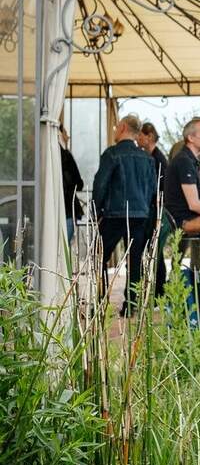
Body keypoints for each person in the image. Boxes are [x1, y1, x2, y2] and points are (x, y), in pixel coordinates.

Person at [92, 113, 156, 316]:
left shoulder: (111, 154)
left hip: (114, 214)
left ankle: (101, 303)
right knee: (135, 260)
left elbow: (100, 184)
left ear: (122, 129)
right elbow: (153, 190)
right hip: (140, 215)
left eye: (116, 127)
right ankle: (131, 305)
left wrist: (96, 210)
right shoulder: (147, 158)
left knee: (99, 258)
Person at [163, 117, 200, 240]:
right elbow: (194, 204)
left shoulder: (192, 161)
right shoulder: (184, 162)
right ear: (190, 138)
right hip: (186, 221)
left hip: (194, 218)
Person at [137, 121, 168, 296]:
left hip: (157, 210)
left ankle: (158, 291)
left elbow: (160, 187)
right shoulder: (153, 157)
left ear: (149, 136)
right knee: (154, 250)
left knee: (155, 251)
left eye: (140, 136)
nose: (138, 139)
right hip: (153, 209)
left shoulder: (157, 159)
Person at [59, 124, 84, 244]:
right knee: (63, 248)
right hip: (68, 209)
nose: (67, 137)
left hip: (61, 209)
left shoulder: (39, 155)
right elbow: (79, 184)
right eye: (65, 133)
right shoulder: (65, 156)